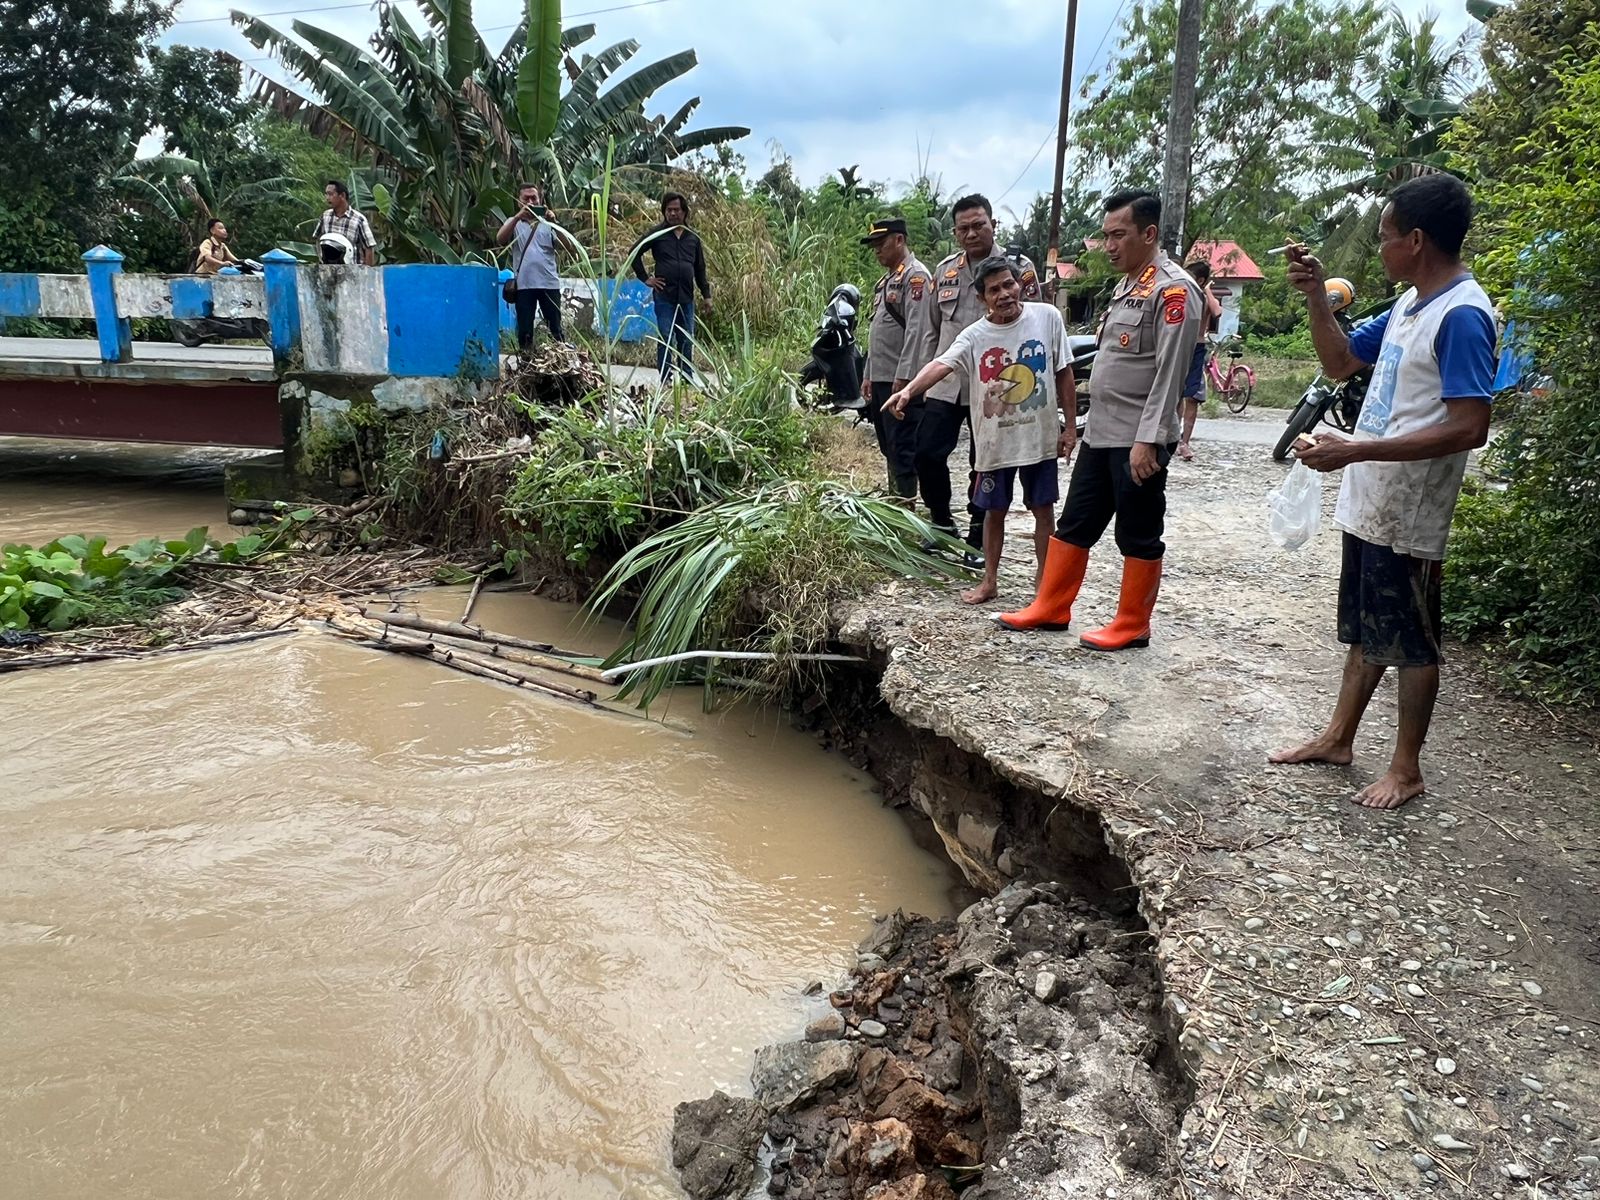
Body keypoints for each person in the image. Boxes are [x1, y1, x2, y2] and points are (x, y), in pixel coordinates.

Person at [1269, 174, 1496, 811]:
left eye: (1386, 237)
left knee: (1413, 637)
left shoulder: (1462, 315)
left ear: (1417, 240)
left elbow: (1468, 425)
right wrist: (1317, 296)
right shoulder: (1408, 304)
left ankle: (1406, 768)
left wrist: (1355, 449)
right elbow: (1341, 362)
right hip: (1373, 498)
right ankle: (1339, 738)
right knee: (1368, 627)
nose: (1380, 249)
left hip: (1412, 510)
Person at [996, 188, 1198, 650]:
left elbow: (1170, 373)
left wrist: (1150, 439)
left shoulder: (1173, 289)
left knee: (1138, 530)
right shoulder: (1129, 283)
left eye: (1118, 235)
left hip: (1137, 440)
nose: (1108, 245)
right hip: (1103, 433)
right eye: (1106, 235)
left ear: (1149, 233)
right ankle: (1052, 606)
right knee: (1076, 522)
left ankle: (1132, 624)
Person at [886, 258, 1075, 604]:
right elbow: (941, 363)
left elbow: (1064, 373)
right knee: (993, 512)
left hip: (1038, 436)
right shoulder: (975, 335)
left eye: (1008, 285)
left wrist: (1069, 429)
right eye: (994, 290)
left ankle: (1044, 585)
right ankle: (989, 581)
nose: (1004, 294)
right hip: (995, 441)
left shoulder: (1048, 318)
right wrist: (909, 390)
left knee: (1043, 510)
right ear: (983, 298)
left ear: (1019, 284)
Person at [921, 195, 1043, 550]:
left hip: (997, 383)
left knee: (985, 460)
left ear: (993, 225)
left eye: (979, 225)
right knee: (927, 454)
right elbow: (932, 330)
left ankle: (978, 533)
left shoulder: (1018, 267)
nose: (972, 233)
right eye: (964, 228)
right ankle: (941, 524)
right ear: (956, 233)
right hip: (947, 382)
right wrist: (916, 381)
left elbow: (1034, 321)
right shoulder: (945, 271)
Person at [859, 217, 935, 502]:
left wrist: (905, 378)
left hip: (900, 383)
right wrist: (868, 373)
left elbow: (917, 331)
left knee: (903, 447)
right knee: (889, 446)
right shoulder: (885, 282)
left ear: (900, 240)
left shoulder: (915, 276)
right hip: (882, 378)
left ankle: (906, 511)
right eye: (874, 245)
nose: (877, 250)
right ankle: (896, 503)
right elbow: (877, 331)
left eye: (882, 243)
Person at [632, 192, 711, 382]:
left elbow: (700, 269)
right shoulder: (657, 234)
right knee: (665, 337)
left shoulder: (693, 238)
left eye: (676, 210)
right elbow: (634, 252)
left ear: (684, 212)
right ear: (664, 212)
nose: (673, 213)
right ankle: (666, 378)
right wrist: (646, 278)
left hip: (686, 297)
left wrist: (707, 296)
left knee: (686, 338)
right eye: (669, 210)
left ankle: (687, 377)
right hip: (664, 296)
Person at [496, 183, 564, 346]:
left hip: (549, 284)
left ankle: (560, 364)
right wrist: (518, 217)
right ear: (519, 201)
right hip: (524, 286)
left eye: (534, 198)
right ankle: (526, 365)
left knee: (555, 329)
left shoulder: (548, 224)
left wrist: (555, 223)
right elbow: (500, 239)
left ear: (540, 200)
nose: (530, 202)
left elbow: (566, 246)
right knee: (525, 331)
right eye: (526, 198)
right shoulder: (514, 222)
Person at [1176, 258, 1223, 459]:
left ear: (1201, 280)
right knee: (1174, 394)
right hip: (1179, 345)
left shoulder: (1203, 295)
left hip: (1197, 347)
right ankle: (1173, 437)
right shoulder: (1181, 293)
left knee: (1192, 396)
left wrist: (1207, 290)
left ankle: (1185, 442)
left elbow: (1217, 311)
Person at [315, 180, 376, 266]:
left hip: (352, 271)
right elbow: (317, 237)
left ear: (342, 195)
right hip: (329, 271)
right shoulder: (325, 216)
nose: (327, 198)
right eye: (326, 194)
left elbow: (369, 246)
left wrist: (368, 272)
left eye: (331, 194)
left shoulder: (359, 219)